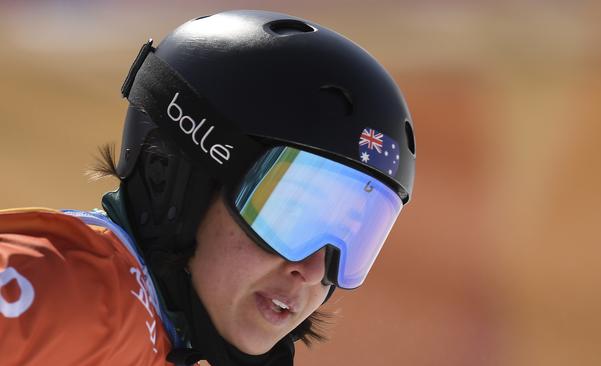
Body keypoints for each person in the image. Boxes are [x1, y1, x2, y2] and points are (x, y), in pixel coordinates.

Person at [0, 9, 416, 366]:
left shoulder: (164, 338)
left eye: (348, 239)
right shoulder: (73, 292)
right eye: (293, 216)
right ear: (171, 180)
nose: (310, 272)